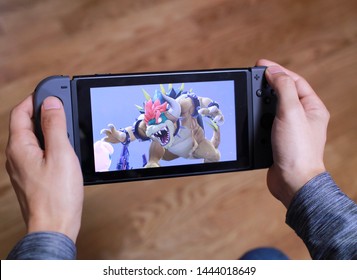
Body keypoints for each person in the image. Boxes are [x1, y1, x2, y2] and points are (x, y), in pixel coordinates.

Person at [5, 60, 357, 260]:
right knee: (266, 260)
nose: (155, 125)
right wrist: (118, 137)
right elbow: (134, 133)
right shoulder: (152, 126)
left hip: (196, 147)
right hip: (175, 151)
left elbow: (206, 106)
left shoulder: (189, 113)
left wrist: (50, 224)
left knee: (215, 161)